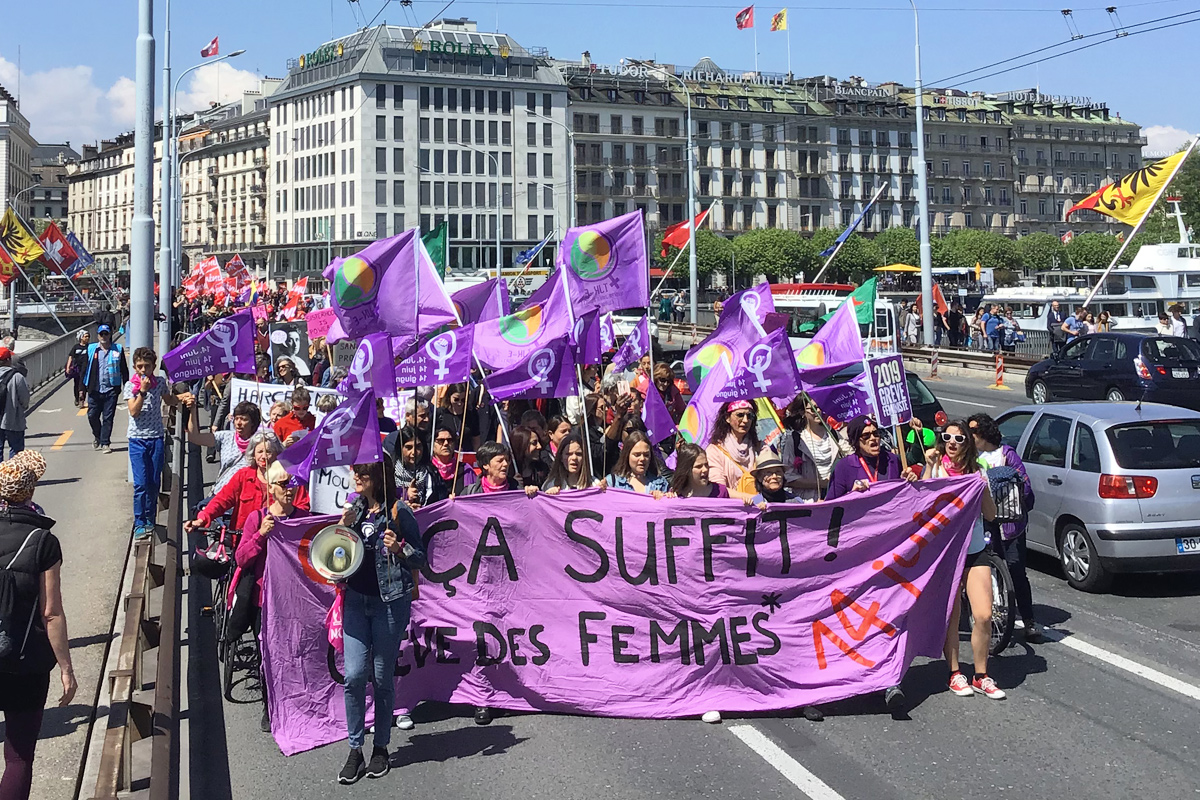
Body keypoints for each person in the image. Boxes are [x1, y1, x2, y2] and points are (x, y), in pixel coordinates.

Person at [336, 455, 427, 784]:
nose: (355, 477)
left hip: (390, 603)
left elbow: (422, 557)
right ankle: (355, 748)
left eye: (361, 472)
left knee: (381, 677)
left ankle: (381, 747)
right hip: (356, 602)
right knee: (355, 675)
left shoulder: (399, 512)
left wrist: (401, 548)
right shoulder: (355, 509)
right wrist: (343, 529)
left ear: (376, 475)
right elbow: (339, 556)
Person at [0, 451, 76, 800]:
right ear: (31, 493)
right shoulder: (43, 541)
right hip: (24, 660)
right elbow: (51, 613)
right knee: (18, 758)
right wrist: (66, 668)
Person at [924, 420, 1005, 700]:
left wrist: (982, 488)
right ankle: (954, 672)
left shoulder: (977, 472)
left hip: (973, 549)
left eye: (959, 439)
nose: (952, 443)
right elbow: (922, 504)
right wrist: (927, 467)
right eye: (947, 437)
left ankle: (981, 675)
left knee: (983, 614)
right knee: (952, 615)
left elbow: (991, 515)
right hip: (947, 552)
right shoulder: (936, 469)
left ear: (967, 444)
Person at [233, 460, 303, 732]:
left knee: (295, 652)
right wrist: (261, 535)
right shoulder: (257, 518)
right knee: (267, 655)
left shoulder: (301, 518)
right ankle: (269, 704)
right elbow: (241, 558)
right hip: (264, 600)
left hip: (293, 599)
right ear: (271, 488)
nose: (289, 490)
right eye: (283, 485)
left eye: (292, 484)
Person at [968, 414, 1042, 643]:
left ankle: (1028, 620)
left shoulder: (1006, 454)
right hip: (984, 522)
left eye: (973, 431)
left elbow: (1025, 486)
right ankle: (995, 617)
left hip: (1010, 523)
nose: (969, 436)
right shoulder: (971, 458)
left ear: (984, 433)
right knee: (989, 569)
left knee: (1016, 567)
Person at [185, 432, 310, 535]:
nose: (264, 456)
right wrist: (202, 518)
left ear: (277, 454)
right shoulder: (243, 476)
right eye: (260, 452)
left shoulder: (290, 476)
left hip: (278, 540)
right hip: (244, 540)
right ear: (253, 454)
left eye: (269, 452)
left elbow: (302, 507)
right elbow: (222, 500)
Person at [124, 348, 183, 539]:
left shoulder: (160, 383)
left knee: (153, 482)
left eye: (147, 366)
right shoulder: (130, 385)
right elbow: (133, 411)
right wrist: (142, 391)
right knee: (140, 483)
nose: (143, 370)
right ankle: (139, 522)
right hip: (137, 440)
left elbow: (169, 399)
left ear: (153, 367)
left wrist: (182, 399)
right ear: (134, 367)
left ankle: (150, 518)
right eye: (139, 366)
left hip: (156, 437)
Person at [826, 416, 918, 500]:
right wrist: (852, 494)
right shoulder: (844, 466)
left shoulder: (891, 459)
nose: (873, 438)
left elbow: (914, 457)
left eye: (875, 433)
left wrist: (907, 482)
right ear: (856, 441)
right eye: (866, 436)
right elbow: (831, 504)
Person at [779, 396, 851, 502]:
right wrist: (821, 483)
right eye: (813, 409)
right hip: (807, 501)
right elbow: (788, 477)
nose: (818, 411)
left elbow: (851, 457)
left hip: (835, 497)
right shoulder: (794, 439)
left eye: (820, 407)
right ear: (803, 412)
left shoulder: (833, 434)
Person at [184, 400, 262, 493]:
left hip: (246, 497)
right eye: (236, 419)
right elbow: (195, 437)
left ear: (253, 422)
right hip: (222, 494)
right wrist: (193, 410)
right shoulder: (226, 436)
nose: (238, 423)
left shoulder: (261, 443)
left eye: (244, 419)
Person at [705, 400, 771, 501]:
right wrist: (753, 499)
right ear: (727, 418)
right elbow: (718, 489)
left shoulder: (761, 448)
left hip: (760, 509)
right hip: (730, 510)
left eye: (750, 416)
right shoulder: (714, 451)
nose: (745, 420)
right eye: (740, 415)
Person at [84, 325, 129, 453]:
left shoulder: (117, 349)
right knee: (92, 415)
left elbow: (124, 370)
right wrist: (82, 388)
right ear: (98, 335)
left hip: (111, 389)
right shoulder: (92, 349)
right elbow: (84, 369)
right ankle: (98, 435)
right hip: (94, 389)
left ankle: (105, 443)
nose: (104, 337)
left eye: (106, 334)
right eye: (101, 334)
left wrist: (127, 386)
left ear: (110, 335)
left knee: (108, 418)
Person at [458, 442, 537, 499]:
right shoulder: (469, 493)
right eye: (500, 461)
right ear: (486, 464)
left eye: (507, 460)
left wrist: (532, 495)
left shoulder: (517, 489)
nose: (506, 464)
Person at [606, 431, 669, 496]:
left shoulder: (661, 484)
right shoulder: (612, 482)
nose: (642, 459)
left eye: (646, 455)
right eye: (637, 455)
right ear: (627, 455)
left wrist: (663, 498)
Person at [391, 425, 435, 510]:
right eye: (408, 447)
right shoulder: (390, 473)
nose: (414, 452)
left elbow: (439, 500)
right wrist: (404, 499)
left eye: (418, 447)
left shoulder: (432, 473)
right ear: (400, 448)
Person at [428, 423, 474, 499]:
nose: (446, 444)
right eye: (440, 441)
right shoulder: (427, 470)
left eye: (450, 440)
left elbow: (473, 496)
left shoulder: (466, 469)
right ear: (432, 445)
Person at [0, 349, 30, 461]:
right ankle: (13, 476)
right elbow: (24, 398)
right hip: (13, 419)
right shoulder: (17, 376)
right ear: (9, 360)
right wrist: (22, 408)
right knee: (16, 450)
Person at [510, 425, 551, 490]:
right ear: (521, 445)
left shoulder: (543, 469)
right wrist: (513, 484)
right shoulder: (508, 472)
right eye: (534, 443)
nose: (539, 446)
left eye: (539, 442)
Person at [66, 331, 90, 408]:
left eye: (88, 336)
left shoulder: (89, 347)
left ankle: (82, 399)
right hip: (77, 369)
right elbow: (71, 356)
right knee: (76, 384)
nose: (87, 338)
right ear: (81, 337)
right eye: (85, 336)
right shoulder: (76, 347)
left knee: (84, 384)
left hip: (86, 369)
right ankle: (77, 398)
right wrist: (68, 367)